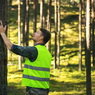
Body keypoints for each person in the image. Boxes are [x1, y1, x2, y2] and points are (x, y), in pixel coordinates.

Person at [0, 21, 52, 95]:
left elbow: (11, 47)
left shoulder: (35, 50)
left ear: (41, 38)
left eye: (37, 33)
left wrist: (2, 33)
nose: (34, 33)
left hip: (35, 90)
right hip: (43, 89)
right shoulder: (47, 53)